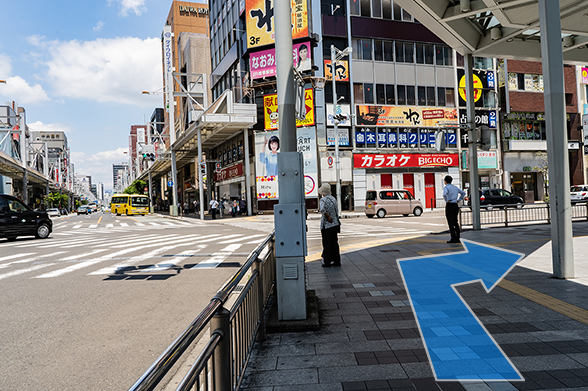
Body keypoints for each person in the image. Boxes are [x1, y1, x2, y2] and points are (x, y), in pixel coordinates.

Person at [318, 183, 341, 267]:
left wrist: (328, 216)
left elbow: (322, 209)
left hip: (326, 225)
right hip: (335, 224)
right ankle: (336, 260)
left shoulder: (323, 200)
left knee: (327, 243)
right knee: (334, 243)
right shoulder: (333, 198)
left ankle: (327, 261)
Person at [443, 175, 466, 244]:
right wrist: (458, 200)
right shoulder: (455, 187)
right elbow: (463, 193)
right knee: (455, 222)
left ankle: (453, 238)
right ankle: (458, 237)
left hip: (449, 205)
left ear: (445, 181)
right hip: (455, 204)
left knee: (450, 222)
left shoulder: (446, 187)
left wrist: (447, 200)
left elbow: (444, 194)